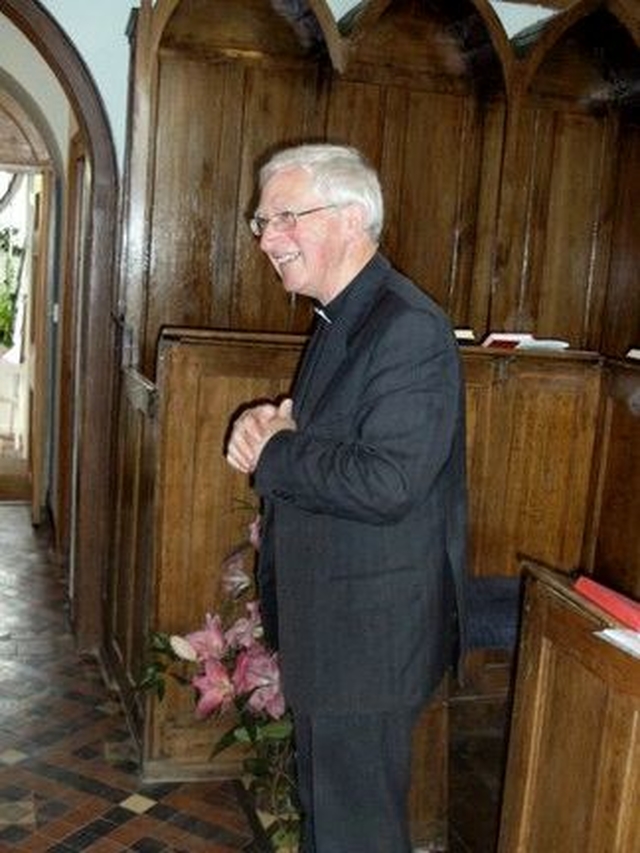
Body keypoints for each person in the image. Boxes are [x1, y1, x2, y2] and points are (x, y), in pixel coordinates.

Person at [225, 143, 467, 853]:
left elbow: (390, 481)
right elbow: (336, 439)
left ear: (352, 217)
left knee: (356, 831)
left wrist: (275, 449)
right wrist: (280, 424)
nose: (268, 237)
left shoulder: (407, 327)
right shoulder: (343, 315)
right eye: (262, 222)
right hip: (335, 627)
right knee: (330, 819)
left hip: (369, 638)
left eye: (285, 216)